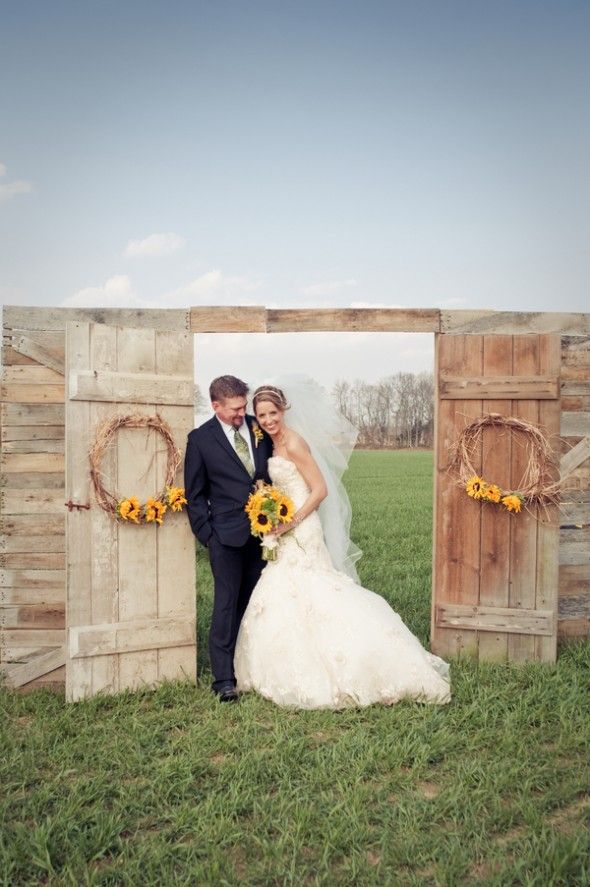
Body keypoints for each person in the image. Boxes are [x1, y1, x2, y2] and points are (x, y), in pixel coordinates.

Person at [234, 379, 451, 709]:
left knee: (314, 589)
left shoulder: (293, 444)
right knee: (283, 591)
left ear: (283, 410)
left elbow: (319, 490)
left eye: (272, 413)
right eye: (261, 415)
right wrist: (268, 505)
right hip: (283, 528)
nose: (267, 420)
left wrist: (291, 521)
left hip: (302, 528)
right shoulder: (273, 445)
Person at [184, 375, 273, 702]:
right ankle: (224, 680)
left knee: (255, 603)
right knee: (225, 604)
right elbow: (194, 495)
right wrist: (208, 536)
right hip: (225, 537)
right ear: (216, 405)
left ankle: (253, 666)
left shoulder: (258, 428)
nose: (242, 413)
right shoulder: (200, 440)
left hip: (264, 535)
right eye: (235, 408)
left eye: (244, 406)